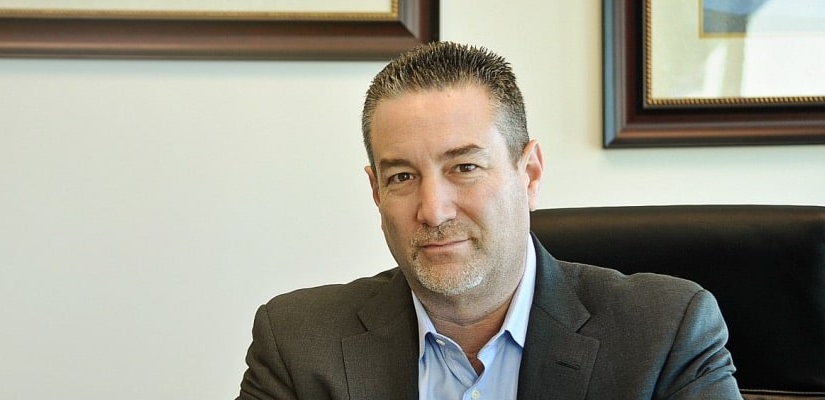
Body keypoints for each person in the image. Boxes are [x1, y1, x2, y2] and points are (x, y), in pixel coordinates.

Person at [237, 41, 742, 399]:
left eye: (464, 167)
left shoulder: (664, 333)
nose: (433, 210)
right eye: (402, 177)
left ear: (530, 174)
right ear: (375, 192)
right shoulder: (297, 344)